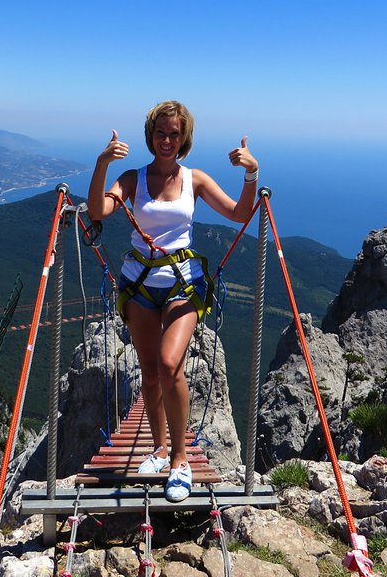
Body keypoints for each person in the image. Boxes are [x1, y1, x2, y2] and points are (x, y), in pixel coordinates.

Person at [87, 100, 259, 502]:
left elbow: (239, 213)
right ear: (151, 135)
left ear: (184, 138)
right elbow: (98, 209)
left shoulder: (194, 178)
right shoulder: (132, 179)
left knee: (169, 364)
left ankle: (179, 460)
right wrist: (101, 163)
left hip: (183, 282)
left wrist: (251, 173)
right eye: (161, 132)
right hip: (140, 281)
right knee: (149, 371)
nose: (167, 140)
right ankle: (159, 449)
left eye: (175, 133)